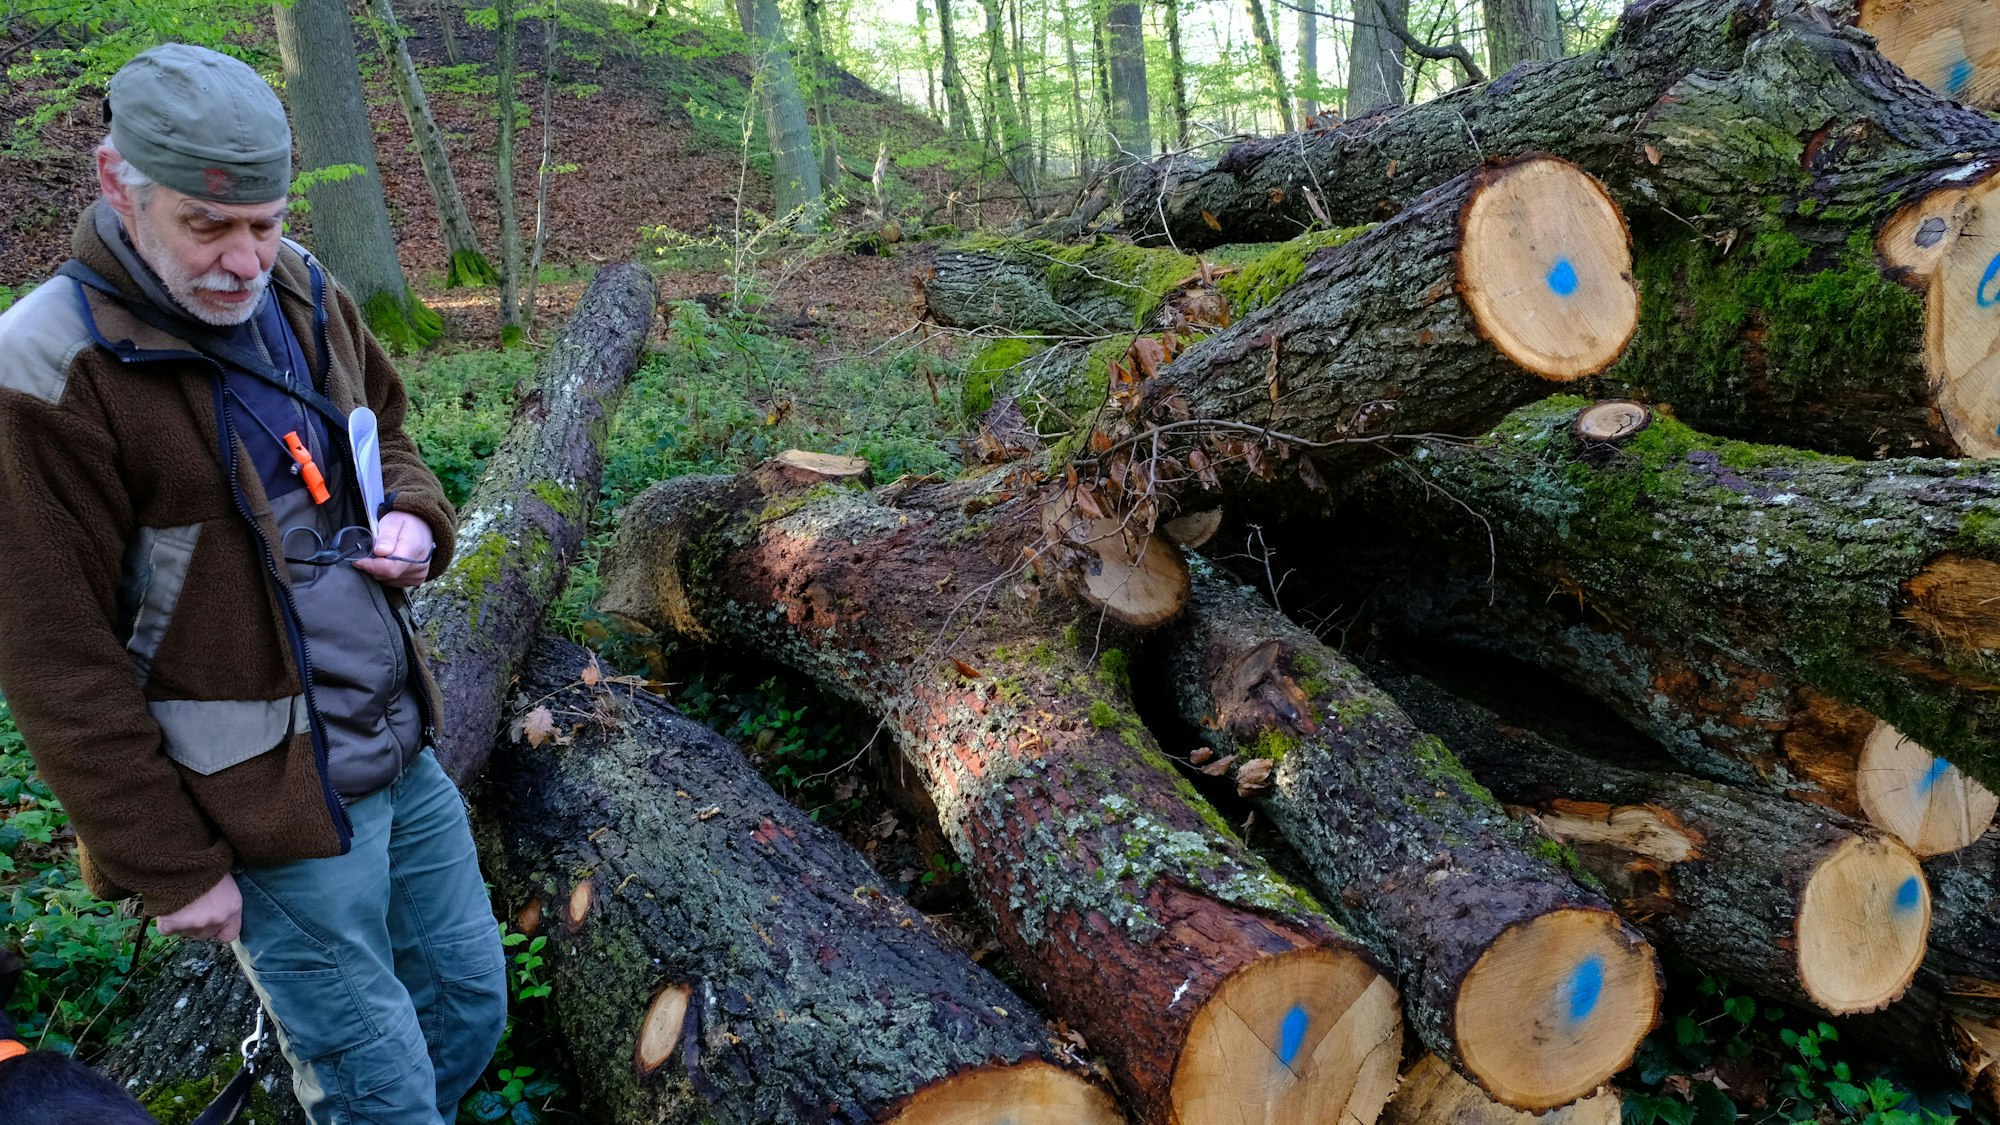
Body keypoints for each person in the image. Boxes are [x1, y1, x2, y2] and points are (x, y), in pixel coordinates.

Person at [0, 43, 507, 1123]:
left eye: (265, 223)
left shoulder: (303, 287)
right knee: (380, 1093)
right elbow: (53, 658)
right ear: (114, 184)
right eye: (207, 225)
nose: (243, 259)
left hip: (399, 752)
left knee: (469, 1008)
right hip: (264, 807)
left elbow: (389, 435)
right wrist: (169, 868)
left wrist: (419, 519)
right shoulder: (45, 372)